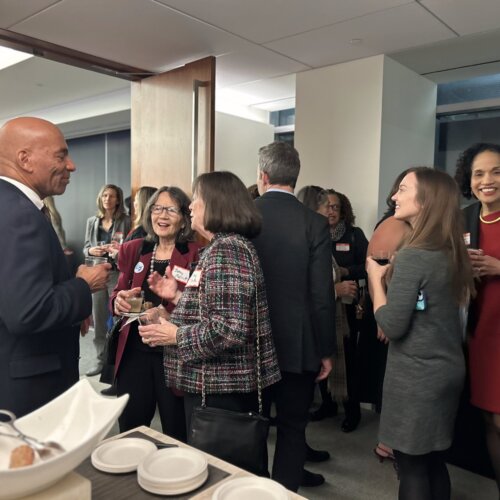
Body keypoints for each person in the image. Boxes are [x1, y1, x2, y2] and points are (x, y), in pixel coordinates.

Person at [138, 172, 281, 449]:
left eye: (197, 199)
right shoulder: (224, 247)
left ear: (217, 204)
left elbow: (230, 329)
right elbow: (216, 310)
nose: (190, 206)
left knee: (219, 469)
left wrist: (175, 335)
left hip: (221, 389)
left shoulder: (227, 250)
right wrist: (176, 301)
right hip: (218, 386)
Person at [367, 167, 475, 500]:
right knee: (434, 461)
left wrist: (375, 278)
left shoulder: (414, 256)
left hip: (416, 377)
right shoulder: (451, 252)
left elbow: (392, 325)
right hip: (447, 370)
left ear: (427, 200)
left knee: (412, 465)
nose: (394, 197)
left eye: (402, 189)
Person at [0, 117, 110, 417]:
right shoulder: (19, 214)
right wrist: (83, 285)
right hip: (29, 388)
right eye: (61, 156)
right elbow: (28, 312)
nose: (71, 166)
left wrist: (70, 301)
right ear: (25, 159)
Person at [252, 142, 336, 491]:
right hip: (298, 347)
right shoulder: (314, 223)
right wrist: (326, 349)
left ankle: (252, 492)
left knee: (253, 425)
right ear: (295, 177)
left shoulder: (245, 216)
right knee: (292, 427)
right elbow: (322, 294)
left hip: (250, 342)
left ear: (263, 176)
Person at [111, 186, 200, 440]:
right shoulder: (135, 249)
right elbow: (118, 292)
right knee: (131, 429)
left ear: (184, 217)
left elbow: (198, 305)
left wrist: (168, 314)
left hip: (173, 354)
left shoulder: (195, 253)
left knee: (176, 431)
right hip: (134, 352)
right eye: (157, 208)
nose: (162, 215)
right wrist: (118, 302)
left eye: (170, 210)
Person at [455, 143, 500, 493]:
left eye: (497, 172)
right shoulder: (464, 218)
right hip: (480, 333)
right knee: (489, 419)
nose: (487, 180)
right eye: (479, 173)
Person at [367, 170, 411, 465]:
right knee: (394, 382)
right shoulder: (392, 224)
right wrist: (382, 316)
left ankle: (392, 442)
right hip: (392, 314)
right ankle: (389, 443)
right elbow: (374, 269)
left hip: (404, 316)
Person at [325, 189, 367, 433]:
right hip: (323, 306)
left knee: (348, 359)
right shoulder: (314, 235)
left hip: (348, 308)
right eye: (327, 206)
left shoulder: (353, 235)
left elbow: (368, 265)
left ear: (343, 211)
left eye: (335, 207)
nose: (330, 211)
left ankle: (352, 412)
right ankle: (328, 405)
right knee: (324, 354)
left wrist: (345, 272)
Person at [83, 184, 130, 377]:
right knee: (99, 317)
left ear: (118, 200)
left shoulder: (126, 221)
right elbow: (86, 247)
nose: (107, 199)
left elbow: (132, 246)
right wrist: (91, 250)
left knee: (119, 317)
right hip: (97, 272)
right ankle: (100, 360)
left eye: (111, 196)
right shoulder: (92, 221)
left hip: (117, 273)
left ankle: (118, 361)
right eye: (104, 196)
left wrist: (118, 250)